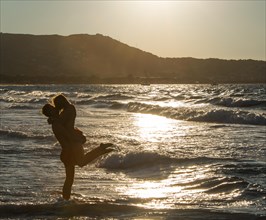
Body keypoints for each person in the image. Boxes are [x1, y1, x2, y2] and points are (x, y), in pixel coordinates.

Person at [42, 102, 114, 200]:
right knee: (76, 170)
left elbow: (70, 129)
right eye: (51, 109)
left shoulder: (58, 120)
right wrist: (79, 139)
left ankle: (65, 200)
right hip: (67, 153)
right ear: (49, 113)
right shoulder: (57, 123)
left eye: (52, 107)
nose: (54, 108)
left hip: (69, 151)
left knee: (70, 179)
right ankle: (100, 149)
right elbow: (68, 135)